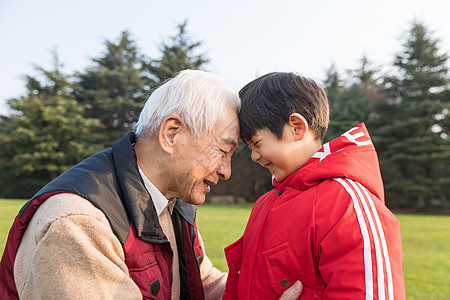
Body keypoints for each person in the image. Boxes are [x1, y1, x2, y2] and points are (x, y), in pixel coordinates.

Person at [0, 70, 303, 300]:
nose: (226, 171)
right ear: (171, 134)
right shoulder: (78, 226)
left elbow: (206, 282)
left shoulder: (173, 203)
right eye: (223, 152)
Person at [223, 72, 406, 299]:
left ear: (297, 127)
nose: (254, 156)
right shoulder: (264, 204)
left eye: (257, 143)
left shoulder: (346, 203)